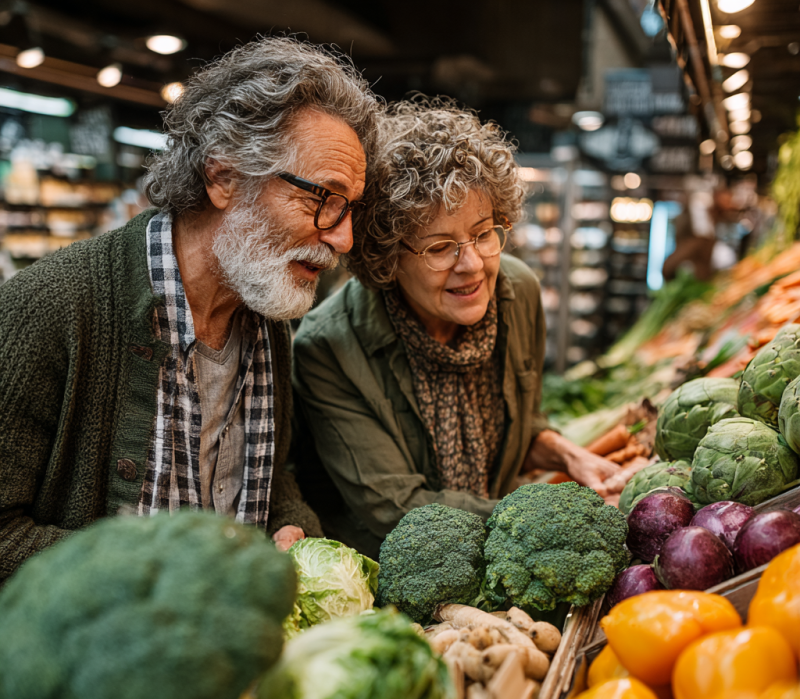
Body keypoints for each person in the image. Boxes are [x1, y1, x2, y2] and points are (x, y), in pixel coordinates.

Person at [0, 37, 377, 583]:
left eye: (350, 209)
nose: (342, 238)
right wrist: (156, 571)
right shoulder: (51, 308)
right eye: (323, 198)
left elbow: (272, 475)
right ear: (223, 178)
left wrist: (291, 523)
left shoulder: (269, 318)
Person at [292, 99, 619, 560]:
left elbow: (517, 425)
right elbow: (396, 507)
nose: (472, 266)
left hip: (504, 553)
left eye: (484, 234)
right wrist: (544, 514)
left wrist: (569, 455)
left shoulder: (518, 291)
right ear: (386, 257)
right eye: (441, 247)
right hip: (395, 570)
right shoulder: (328, 347)